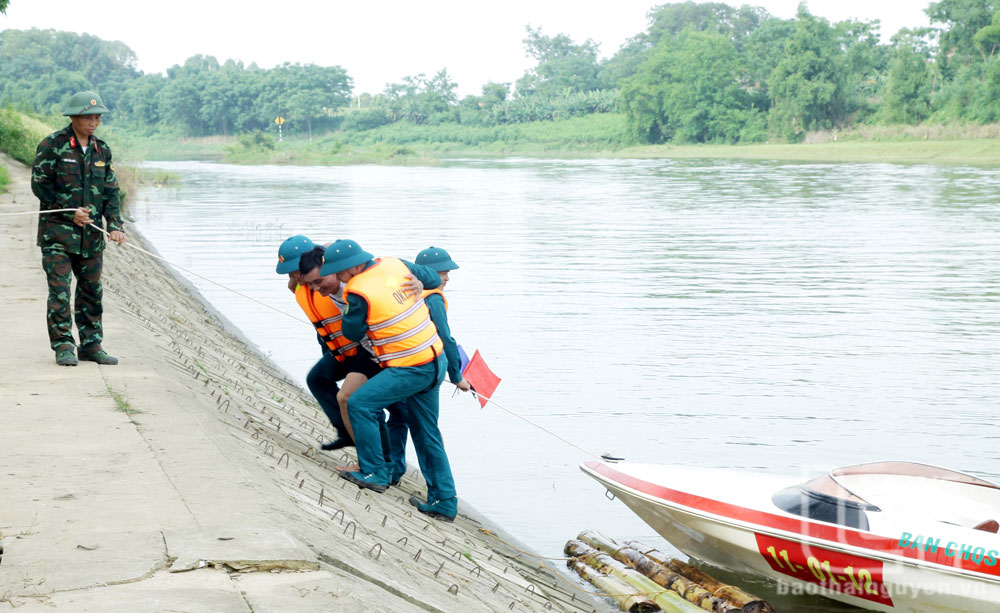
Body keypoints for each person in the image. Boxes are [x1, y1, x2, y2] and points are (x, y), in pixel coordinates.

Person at [323, 239, 459, 521]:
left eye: (339, 271)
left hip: (409, 367)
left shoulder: (358, 292)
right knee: (427, 432)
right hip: (435, 360)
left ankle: (375, 473)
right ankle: (444, 501)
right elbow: (433, 277)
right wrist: (421, 286)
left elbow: (351, 331)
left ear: (354, 266)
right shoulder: (394, 263)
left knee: (360, 404)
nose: (337, 277)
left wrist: (349, 309)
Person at [297, 246, 413, 484]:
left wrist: (423, 285)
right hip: (368, 351)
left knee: (394, 410)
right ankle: (373, 463)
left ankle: (385, 466)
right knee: (346, 398)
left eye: (318, 281)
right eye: (310, 284)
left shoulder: (356, 285)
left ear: (334, 269)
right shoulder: (324, 286)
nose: (316, 289)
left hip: (388, 352)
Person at [32, 91, 125, 366]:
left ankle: (91, 346)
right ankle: (63, 345)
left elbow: (110, 190)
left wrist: (116, 226)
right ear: (73, 117)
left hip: (92, 237)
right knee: (60, 292)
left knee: (91, 293)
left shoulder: (102, 150)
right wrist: (69, 211)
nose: (93, 122)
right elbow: (40, 185)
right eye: (88, 117)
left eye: (97, 117)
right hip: (57, 235)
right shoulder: (53, 145)